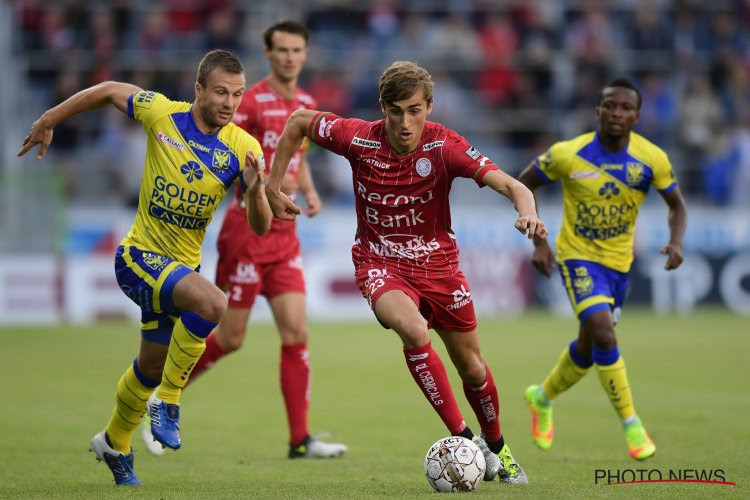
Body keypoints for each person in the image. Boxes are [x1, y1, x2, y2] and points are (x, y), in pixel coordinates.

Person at [265, 60, 549, 485]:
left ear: (429, 107)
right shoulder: (358, 138)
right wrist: (273, 185)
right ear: (382, 106)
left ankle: (498, 448)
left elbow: (514, 186)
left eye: (414, 110)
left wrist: (529, 215)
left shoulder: (445, 146)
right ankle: (464, 437)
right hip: (380, 263)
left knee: (472, 366)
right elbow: (299, 122)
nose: (404, 121)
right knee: (413, 330)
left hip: (440, 268)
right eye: (395, 110)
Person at [17, 50, 271, 486]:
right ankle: (167, 401)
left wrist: (259, 190)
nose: (231, 103)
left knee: (149, 366)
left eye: (238, 94)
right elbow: (108, 91)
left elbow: (260, 226)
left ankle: (114, 442)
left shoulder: (243, 148)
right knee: (213, 303)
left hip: (178, 270)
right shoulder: (162, 115)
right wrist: (52, 116)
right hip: (138, 259)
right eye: (221, 92)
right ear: (198, 89)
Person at [141, 20, 347, 459]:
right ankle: (161, 397)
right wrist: (266, 187)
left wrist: (307, 189)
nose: (291, 57)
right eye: (282, 50)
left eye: (298, 50)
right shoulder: (246, 102)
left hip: (286, 236)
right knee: (231, 338)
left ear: (306, 55)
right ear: (269, 55)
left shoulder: (307, 102)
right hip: (248, 232)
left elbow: (297, 156)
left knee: (296, 332)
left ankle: (300, 440)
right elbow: (239, 160)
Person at [517, 77, 687, 460]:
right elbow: (524, 184)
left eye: (626, 108)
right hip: (577, 257)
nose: (617, 113)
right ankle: (632, 426)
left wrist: (676, 241)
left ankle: (541, 398)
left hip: (619, 264)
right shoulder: (568, 154)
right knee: (605, 336)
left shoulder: (651, 159)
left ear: (637, 116)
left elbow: (677, 205)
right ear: (597, 110)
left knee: (590, 347)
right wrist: (540, 241)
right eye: (610, 105)